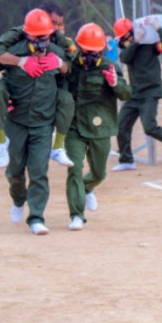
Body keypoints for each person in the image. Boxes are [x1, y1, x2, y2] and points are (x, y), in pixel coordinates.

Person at [0, 9, 70, 235]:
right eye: (36, 38)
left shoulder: (56, 51)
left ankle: (36, 217)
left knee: (39, 171)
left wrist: (60, 64)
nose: (40, 43)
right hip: (16, 123)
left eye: (45, 38)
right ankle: (19, 199)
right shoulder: (13, 53)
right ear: (27, 37)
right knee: (16, 172)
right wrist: (0, 90)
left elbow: (70, 70)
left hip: (42, 124)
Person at [0, 1, 76, 168]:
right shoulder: (20, 34)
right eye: (53, 22)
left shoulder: (59, 40)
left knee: (66, 99)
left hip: (48, 94)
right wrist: (21, 61)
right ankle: (1, 142)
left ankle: (57, 148)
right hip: (19, 100)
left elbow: (71, 64)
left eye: (58, 25)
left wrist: (59, 63)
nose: (55, 28)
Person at [63, 23, 132, 230]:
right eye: (88, 51)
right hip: (74, 126)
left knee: (99, 174)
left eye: (96, 51)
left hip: (100, 127)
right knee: (74, 169)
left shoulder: (109, 66)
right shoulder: (70, 66)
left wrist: (114, 83)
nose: (92, 55)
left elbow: (126, 93)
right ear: (79, 47)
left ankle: (87, 188)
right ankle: (77, 215)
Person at [112, 17, 162, 171]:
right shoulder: (130, 48)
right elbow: (124, 58)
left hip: (150, 92)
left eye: (123, 36)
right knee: (121, 125)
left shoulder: (151, 46)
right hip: (134, 94)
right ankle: (126, 160)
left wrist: (159, 29)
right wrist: (136, 41)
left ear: (130, 33)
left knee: (149, 127)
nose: (121, 40)